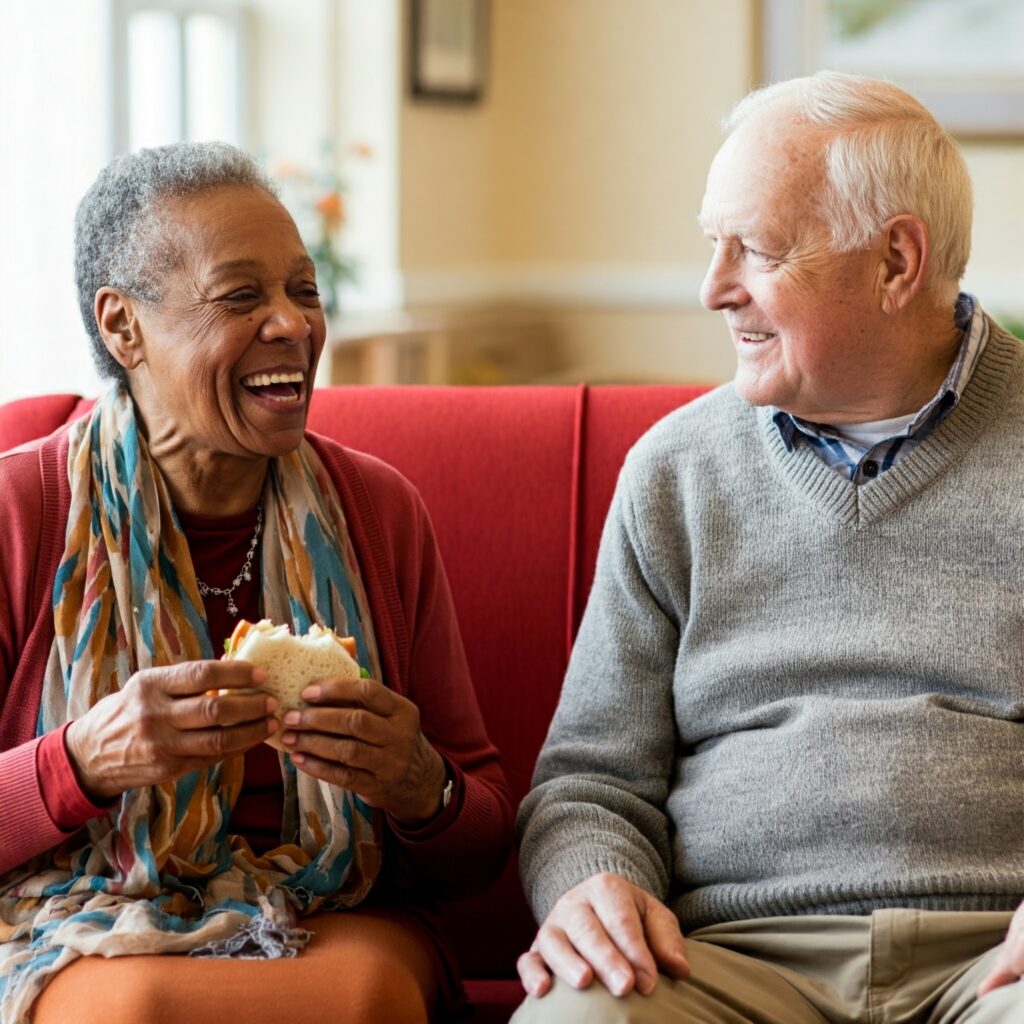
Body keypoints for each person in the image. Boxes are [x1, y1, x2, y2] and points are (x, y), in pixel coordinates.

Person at [512, 71, 1024, 1023]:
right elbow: (587, 778)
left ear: (896, 262)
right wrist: (591, 880)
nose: (714, 289)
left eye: (756, 250)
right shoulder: (675, 470)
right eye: (715, 245)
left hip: (998, 958)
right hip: (726, 968)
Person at [0, 141, 512, 1024]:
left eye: (303, 292)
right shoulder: (18, 511)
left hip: (332, 914)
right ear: (123, 327)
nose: (292, 326)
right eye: (242, 297)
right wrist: (79, 762)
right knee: (129, 1011)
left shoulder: (380, 512)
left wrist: (418, 782)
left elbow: (482, 843)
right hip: (79, 920)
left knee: (361, 995)